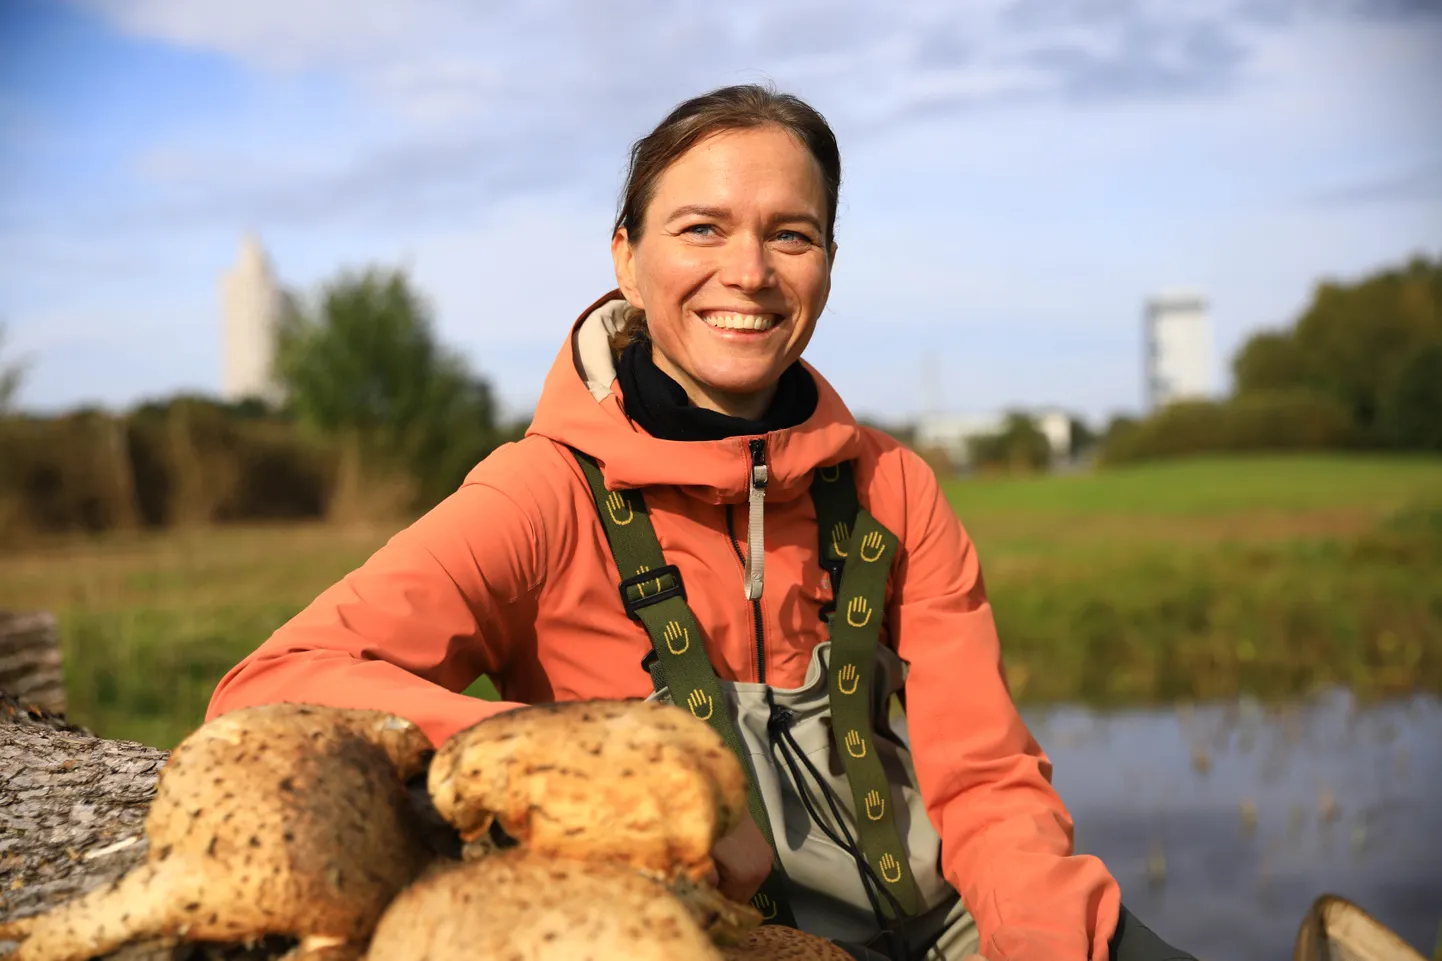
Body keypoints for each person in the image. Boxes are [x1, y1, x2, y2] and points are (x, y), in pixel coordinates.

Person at [208, 85, 1192, 961]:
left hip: (950, 921)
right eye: (701, 229)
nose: (750, 271)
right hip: (694, 939)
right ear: (626, 260)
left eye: (790, 234)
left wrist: (1037, 941)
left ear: (827, 266)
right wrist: (594, 771)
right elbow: (269, 688)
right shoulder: (537, 495)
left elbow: (983, 779)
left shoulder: (893, 486)